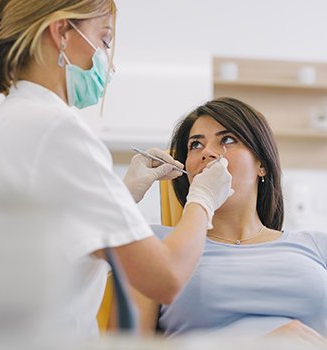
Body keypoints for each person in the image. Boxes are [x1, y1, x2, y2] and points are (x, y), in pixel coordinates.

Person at [0, 0, 233, 340]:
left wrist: (125, 192)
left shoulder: (10, 121)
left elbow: (59, 233)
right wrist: (203, 199)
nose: (108, 62)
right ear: (62, 33)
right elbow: (167, 278)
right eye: (105, 39)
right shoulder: (57, 130)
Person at [132, 97, 327, 345]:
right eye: (195, 145)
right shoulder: (152, 243)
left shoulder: (317, 246)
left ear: (262, 164)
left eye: (227, 140)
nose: (208, 153)